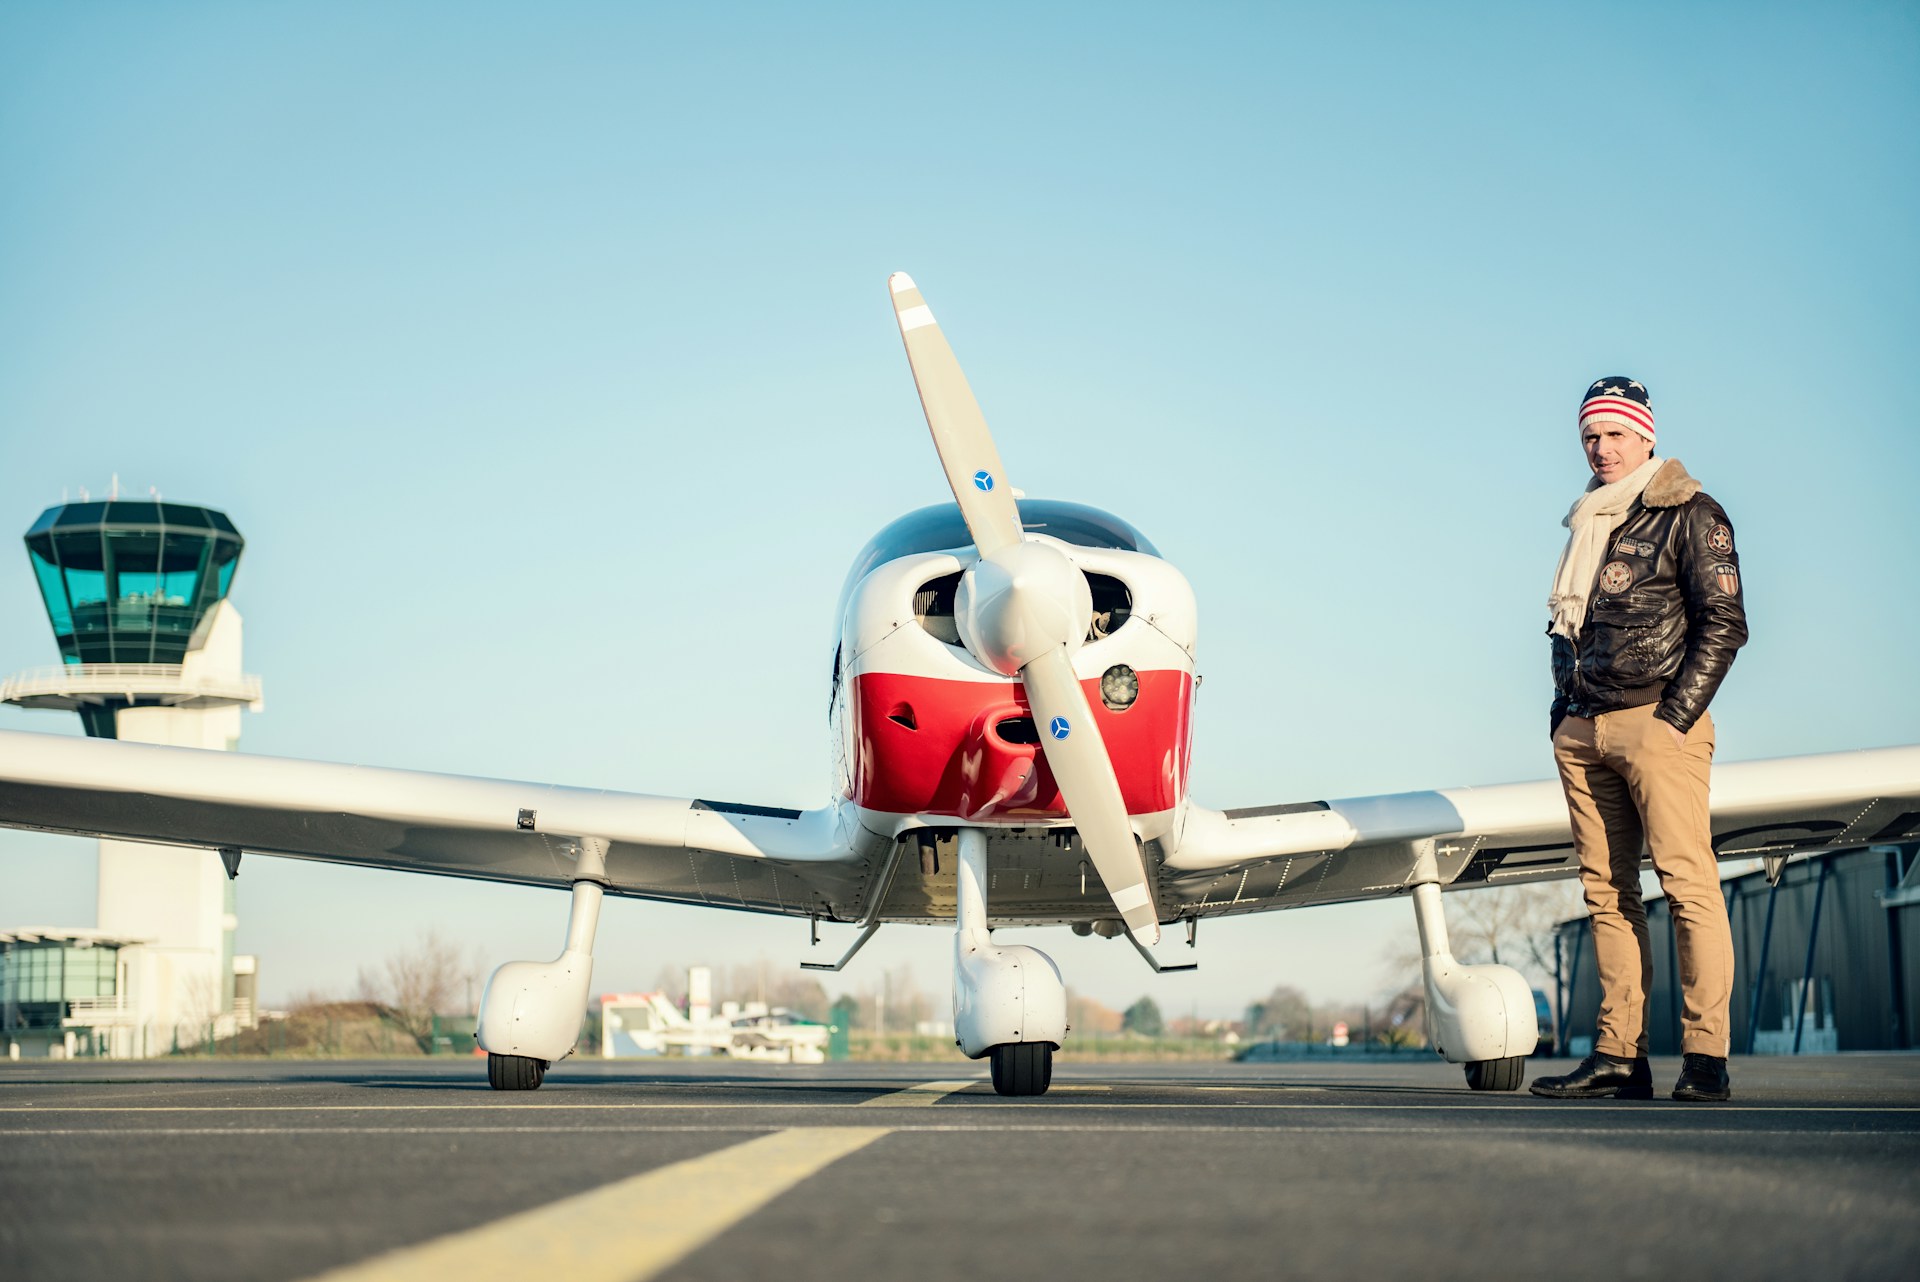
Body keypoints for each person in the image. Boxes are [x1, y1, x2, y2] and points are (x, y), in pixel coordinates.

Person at [1531, 377, 1747, 1103]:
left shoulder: (1690, 512)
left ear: (1646, 435)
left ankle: (1705, 1059)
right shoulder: (1587, 520)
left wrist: (1674, 717)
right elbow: (1568, 627)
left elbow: (1725, 623)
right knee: (1606, 893)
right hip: (1585, 729)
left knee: (1687, 885)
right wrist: (1564, 712)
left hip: (1659, 721)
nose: (1601, 448)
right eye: (1591, 435)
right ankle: (1621, 1057)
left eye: (1615, 434)